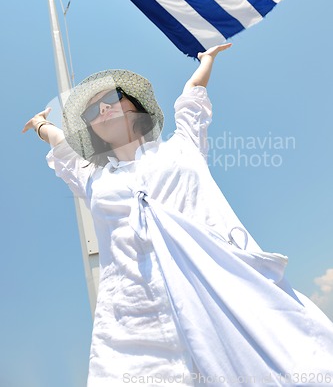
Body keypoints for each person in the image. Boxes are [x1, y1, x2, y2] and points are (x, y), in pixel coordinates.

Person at [23, 44, 333, 387]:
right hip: (136, 317)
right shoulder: (93, 179)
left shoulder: (183, 146)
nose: (103, 108)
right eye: (92, 111)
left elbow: (192, 96)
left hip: (221, 293)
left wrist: (207, 60)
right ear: (90, 130)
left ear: (134, 104)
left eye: (111, 96)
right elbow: (61, 146)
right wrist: (41, 125)